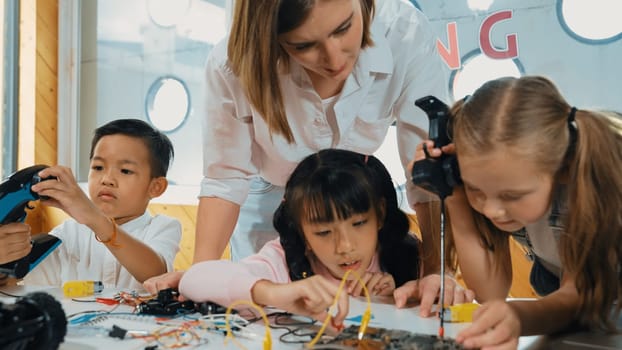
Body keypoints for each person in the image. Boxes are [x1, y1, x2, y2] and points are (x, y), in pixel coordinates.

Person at [147, 0, 450, 295]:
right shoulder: (231, 63)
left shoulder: (404, 33)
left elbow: (426, 166)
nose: (334, 60)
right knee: (266, 304)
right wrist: (203, 278)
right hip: (269, 189)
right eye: (303, 46)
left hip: (352, 194)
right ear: (271, 38)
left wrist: (437, 271)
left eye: (343, 28)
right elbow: (225, 178)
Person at [414, 76, 622, 349]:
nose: (491, 209)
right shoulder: (502, 180)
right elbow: (490, 291)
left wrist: (518, 317)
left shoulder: (592, 181)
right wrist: (453, 193)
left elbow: (578, 297)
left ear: (563, 167)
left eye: (512, 196)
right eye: (476, 189)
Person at [170, 149, 473, 323]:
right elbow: (196, 278)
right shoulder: (282, 262)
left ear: (380, 214)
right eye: (324, 232)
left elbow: (450, 306)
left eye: (358, 224)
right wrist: (274, 293)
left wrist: (411, 292)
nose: (345, 246)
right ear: (300, 230)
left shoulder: (406, 256)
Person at [23, 119, 182, 291]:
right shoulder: (68, 233)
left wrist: (95, 219)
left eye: (125, 171)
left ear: (155, 187)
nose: (106, 179)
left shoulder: (163, 227)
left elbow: (155, 274)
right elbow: (26, 282)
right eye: (98, 167)